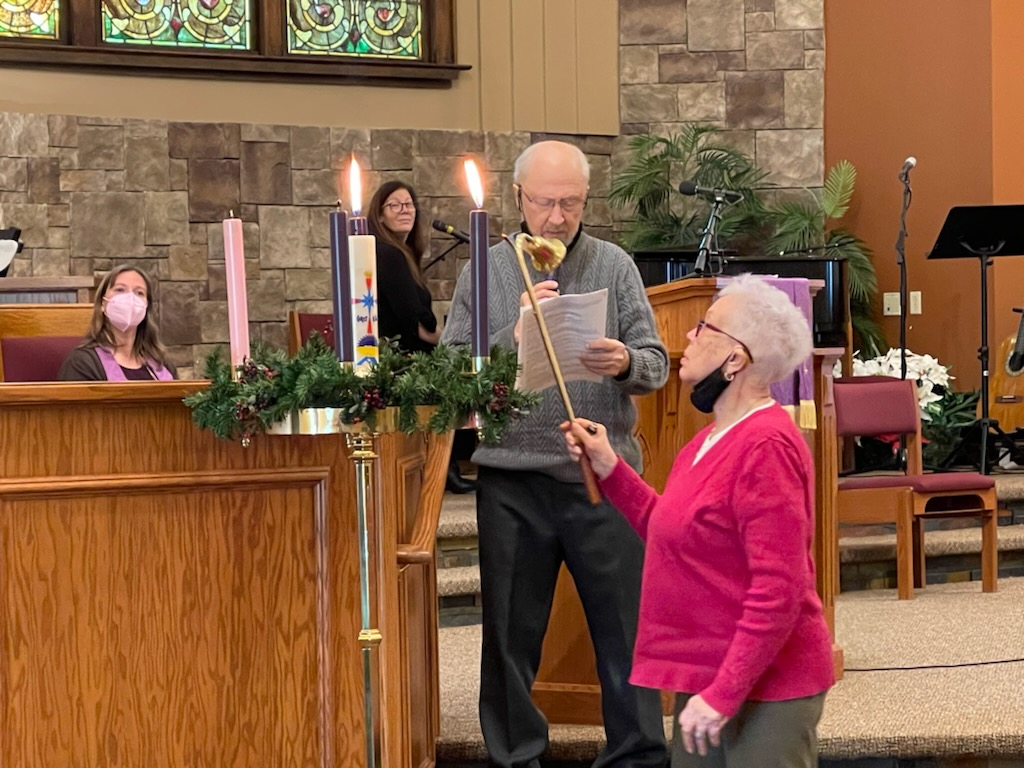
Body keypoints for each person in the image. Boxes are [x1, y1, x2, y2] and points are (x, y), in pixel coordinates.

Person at [441, 140, 670, 768]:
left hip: (603, 474)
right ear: (519, 199)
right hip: (512, 479)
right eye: (545, 203)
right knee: (510, 637)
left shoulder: (614, 264)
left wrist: (625, 361)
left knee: (625, 631)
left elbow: (655, 365)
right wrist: (511, 336)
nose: (557, 218)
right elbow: (449, 372)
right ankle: (516, 755)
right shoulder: (486, 271)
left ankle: (637, 755)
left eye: (570, 203)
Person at [562, 274, 835, 768]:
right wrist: (610, 467)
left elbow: (780, 588)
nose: (687, 336)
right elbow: (669, 528)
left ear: (736, 358)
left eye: (705, 328)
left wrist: (723, 694)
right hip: (711, 672)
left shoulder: (766, 445)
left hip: (767, 683)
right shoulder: (710, 440)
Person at [367, 179, 476, 493]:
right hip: (404, 362)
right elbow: (416, 323)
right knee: (462, 374)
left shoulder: (398, 254)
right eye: (395, 205)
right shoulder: (389, 255)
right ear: (381, 215)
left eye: (409, 204)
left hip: (401, 356)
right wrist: (451, 344)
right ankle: (446, 466)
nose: (405, 210)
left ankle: (444, 465)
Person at [58, 264, 177, 381]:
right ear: (102, 303)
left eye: (139, 293)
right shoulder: (82, 363)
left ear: (146, 306)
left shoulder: (162, 364)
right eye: (120, 290)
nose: (130, 298)